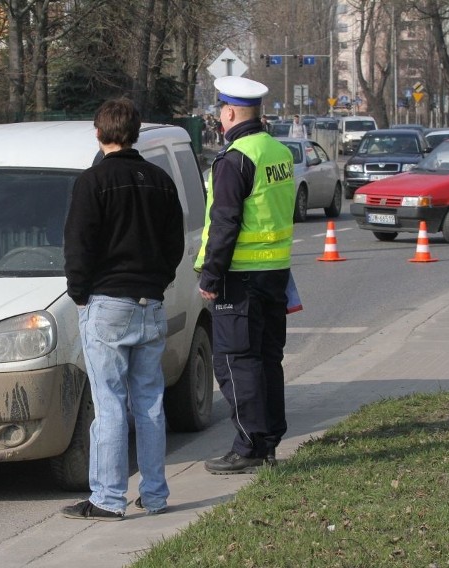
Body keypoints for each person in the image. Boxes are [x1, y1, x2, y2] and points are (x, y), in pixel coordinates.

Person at [61, 98, 185, 520]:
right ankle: (154, 495)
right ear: (135, 134)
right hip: (150, 303)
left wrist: (80, 294)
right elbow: (175, 245)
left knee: (109, 403)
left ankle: (108, 498)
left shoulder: (91, 182)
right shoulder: (160, 181)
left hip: (107, 301)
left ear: (99, 133)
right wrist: (158, 281)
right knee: (149, 402)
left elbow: (78, 245)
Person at [195, 76, 296, 474]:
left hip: (240, 276)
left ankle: (248, 446)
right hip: (276, 272)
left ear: (231, 113)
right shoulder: (278, 152)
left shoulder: (235, 159)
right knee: (268, 359)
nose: (220, 116)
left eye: (221, 109)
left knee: (236, 362)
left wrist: (210, 276)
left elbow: (225, 224)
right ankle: (269, 441)